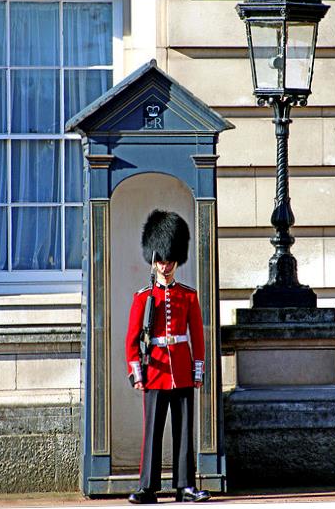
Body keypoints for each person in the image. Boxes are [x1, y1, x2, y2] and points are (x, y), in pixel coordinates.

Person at [125, 209, 211, 504]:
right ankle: (148, 487)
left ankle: (185, 486)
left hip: (183, 371)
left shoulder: (188, 295)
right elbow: (132, 339)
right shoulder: (143, 297)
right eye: (161, 260)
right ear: (154, 259)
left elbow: (197, 337)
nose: (165, 265)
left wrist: (198, 370)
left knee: (184, 430)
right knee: (153, 431)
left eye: (170, 260)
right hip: (156, 371)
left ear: (177, 260)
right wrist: (138, 373)